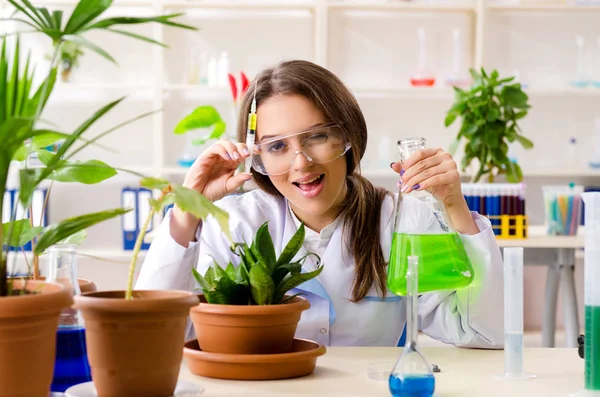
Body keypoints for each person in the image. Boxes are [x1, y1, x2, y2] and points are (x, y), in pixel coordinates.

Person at [136, 60, 504, 348]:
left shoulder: (400, 221)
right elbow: (157, 336)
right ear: (256, 156)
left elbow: (484, 333)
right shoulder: (236, 223)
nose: (301, 163)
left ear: (348, 137)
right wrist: (187, 212)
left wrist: (455, 208)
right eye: (277, 146)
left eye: (317, 137)